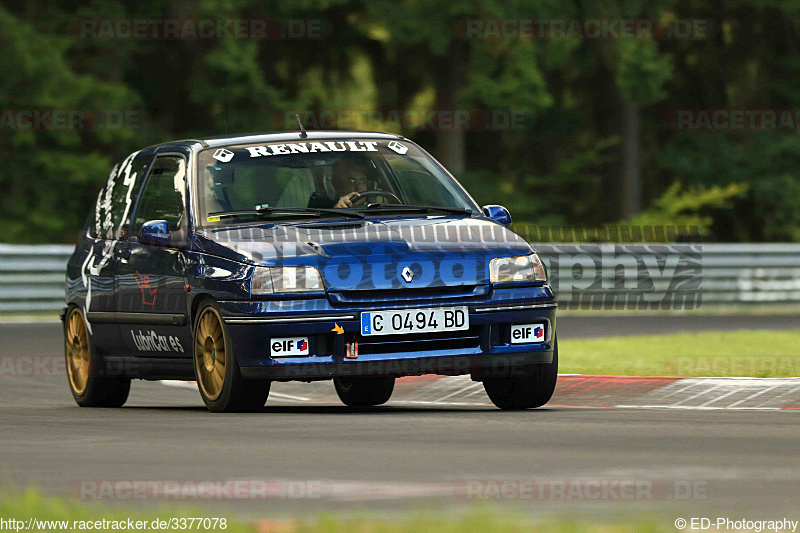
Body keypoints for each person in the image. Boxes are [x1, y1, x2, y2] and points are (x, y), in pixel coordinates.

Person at [308, 157, 373, 209]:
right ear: (338, 184)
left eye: (363, 181)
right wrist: (337, 212)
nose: (359, 187)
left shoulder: (379, 209)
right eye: (351, 181)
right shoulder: (321, 208)